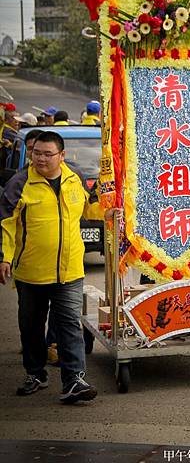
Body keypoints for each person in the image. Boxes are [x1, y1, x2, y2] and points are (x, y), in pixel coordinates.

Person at [0, 131, 115, 403]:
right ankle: (36, 373)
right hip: (31, 272)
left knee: (68, 326)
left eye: (47, 154)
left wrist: (106, 213)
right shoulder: (20, 184)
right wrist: (4, 257)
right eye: (36, 153)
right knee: (31, 326)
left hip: (70, 270)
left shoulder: (73, 180)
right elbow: (5, 224)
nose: (40, 158)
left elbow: (87, 209)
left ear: (61, 156)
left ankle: (74, 379)